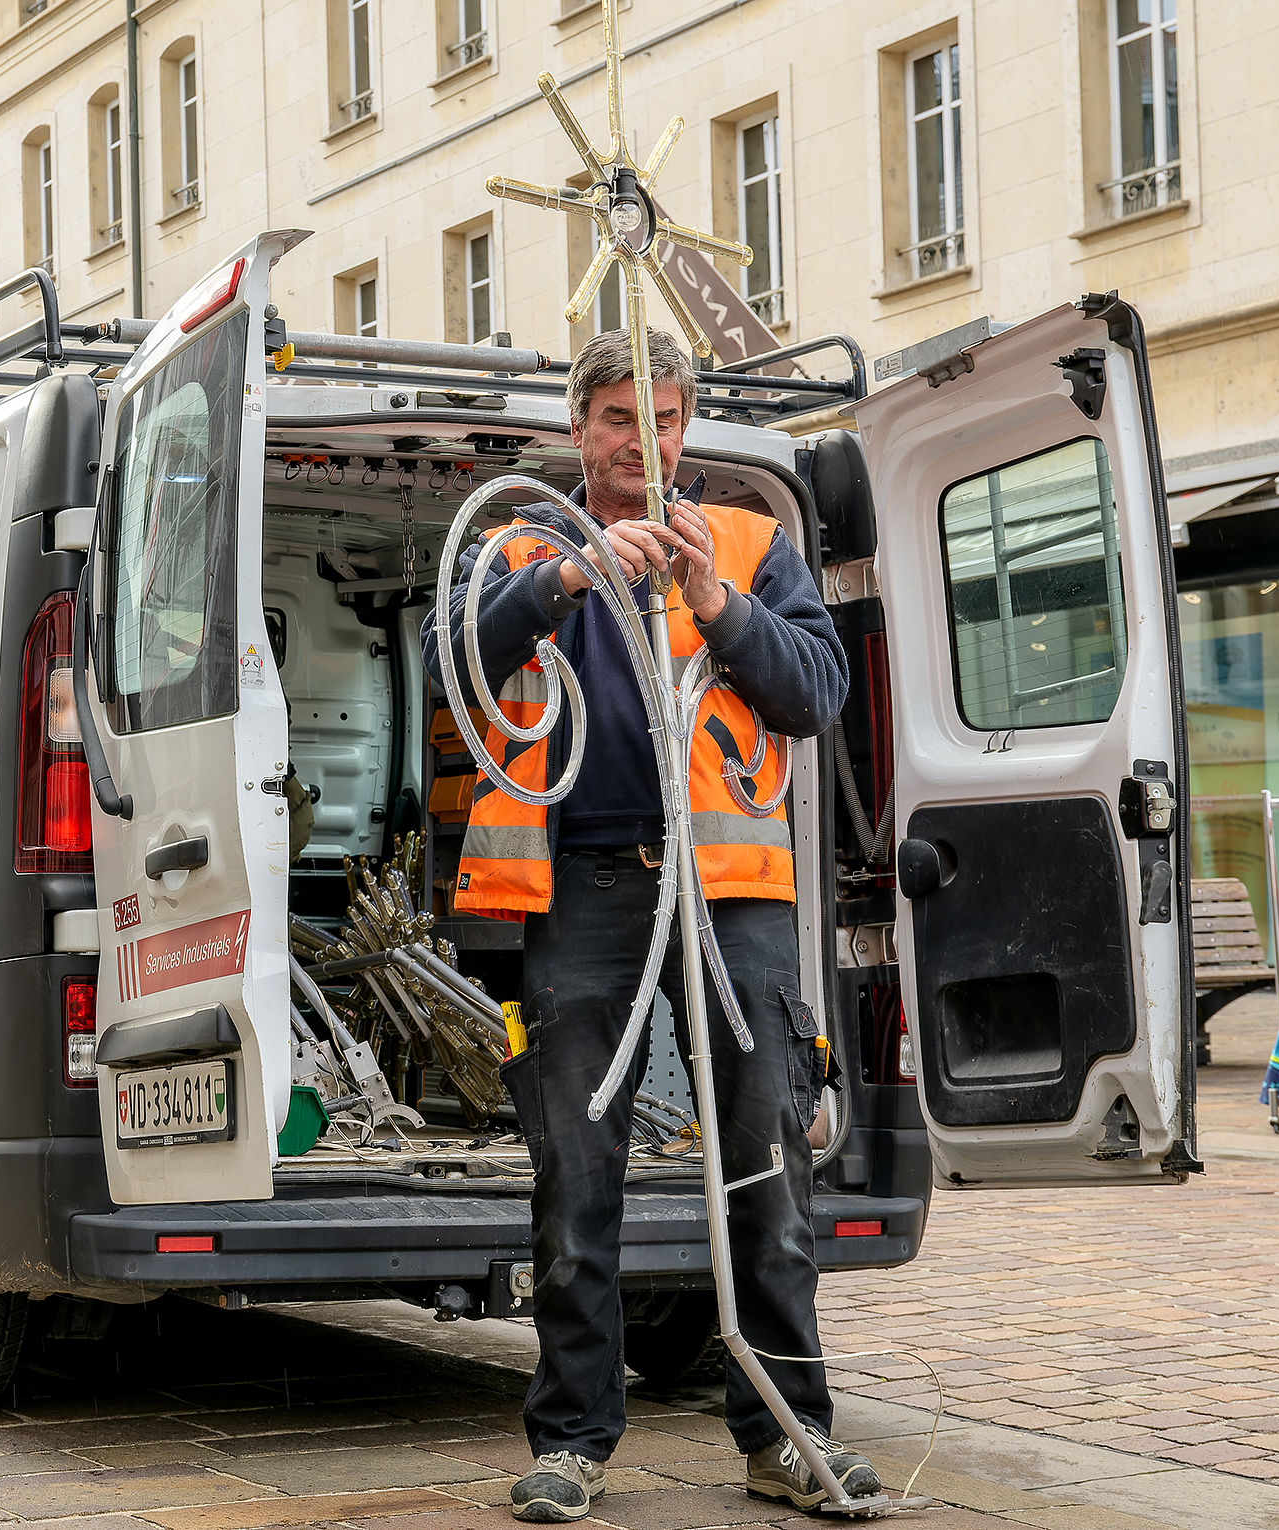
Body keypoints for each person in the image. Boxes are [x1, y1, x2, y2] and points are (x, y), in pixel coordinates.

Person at [422, 328, 870, 1519]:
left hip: (727, 892)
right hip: (581, 886)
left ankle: (787, 1436)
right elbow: (450, 659)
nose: (642, 443)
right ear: (577, 429)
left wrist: (716, 604)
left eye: (662, 418)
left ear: (686, 427)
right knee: (575, 1173)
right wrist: (565, 580)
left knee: (766, 1165)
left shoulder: (747, 544)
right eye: (618, 418)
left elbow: (814, 693)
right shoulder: (524, 540)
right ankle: (570, 1441)